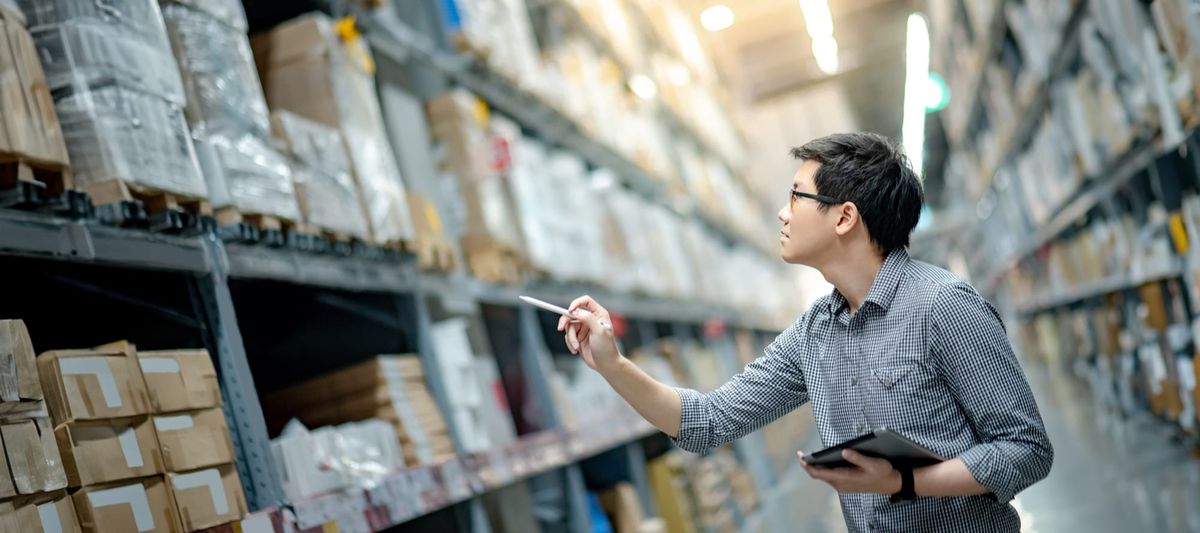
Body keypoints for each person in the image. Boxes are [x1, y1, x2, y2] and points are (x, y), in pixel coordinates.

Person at [556, 132, 1053, 532]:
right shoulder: (815, 333)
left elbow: (1027, 449)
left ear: (844, 217)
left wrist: (901, 482)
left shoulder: (943, 307)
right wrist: (613, 365)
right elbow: (708, 421)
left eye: (796, 196)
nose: (782, 212)